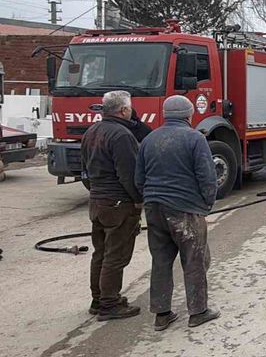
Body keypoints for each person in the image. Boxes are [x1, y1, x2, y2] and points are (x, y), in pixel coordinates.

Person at [136, 95, 220, 330]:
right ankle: (198, 311)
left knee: (160, 261)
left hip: (154, 208)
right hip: (185, 209)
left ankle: (161, 314)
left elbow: (139, 178)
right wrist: (206, 205)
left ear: (165, 114)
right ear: (189, 114)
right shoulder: (195, 138)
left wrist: (152, 197)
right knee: (194, 259)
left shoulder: (149, 139)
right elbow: (207, 177)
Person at [80, 90, 143, 321]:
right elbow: (129, 174)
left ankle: (98, 299)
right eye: (130, 108)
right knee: (116, 256)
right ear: (124, 110)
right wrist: (138, 200)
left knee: (101, 252)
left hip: (97, 202)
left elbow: (84, 169)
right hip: (118, 204)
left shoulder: (91, 131)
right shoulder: (122, 135)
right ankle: (109, 304)